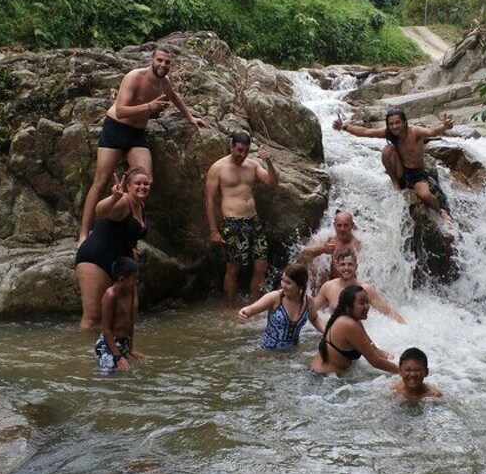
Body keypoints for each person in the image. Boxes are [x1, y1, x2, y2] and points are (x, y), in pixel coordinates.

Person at [78, 46, 209, 245]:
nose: (163, 65)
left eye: (167, 62)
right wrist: (149, 106)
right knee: (101, 180)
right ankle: (84, 233)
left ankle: (129, 228)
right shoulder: (134, 77)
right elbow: (121, 110)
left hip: (137, 134)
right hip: (116, 128)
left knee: (145, 180)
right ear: (152, 60)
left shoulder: (164, 82)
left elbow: (173, 96)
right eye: (160, 60)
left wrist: (190, 117)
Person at [333, 107, 452, 218]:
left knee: (425, 195)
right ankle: (395, 181)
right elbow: (366, 132)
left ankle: (441, 212)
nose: (394, 126)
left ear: (404, 122)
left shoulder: (415, 131)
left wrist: (444, 127)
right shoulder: (389, 132)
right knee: (387, 150)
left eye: (397, 122)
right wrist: (343, 127)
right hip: (401, 170)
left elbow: (431, 132)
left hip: (417, 173)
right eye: (391, 124)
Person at [205, 131, 279, 306]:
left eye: (246, 151)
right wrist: (213, 230)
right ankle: (230, 306)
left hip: (253, 221)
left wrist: (268, 161)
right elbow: (209, 199)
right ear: (232, 146)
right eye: (239, 150)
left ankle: (254, 305)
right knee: (233, 268)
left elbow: (272, 183)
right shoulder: (218, 168)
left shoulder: (252, 165)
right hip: (233, 222)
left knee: (261, 266)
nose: (242, 155)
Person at [76, 168, 149, 329]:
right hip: (95, 258)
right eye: (138, 183)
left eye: (146, 184)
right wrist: (114, 197)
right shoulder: (123, 201)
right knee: (93, 317)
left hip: (122, 262)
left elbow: (129, 231)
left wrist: (132, 247)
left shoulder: (141, 206)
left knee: (130, 310)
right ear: (128, 186)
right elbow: (100, 211)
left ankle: (123, 349)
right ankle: (82, 353)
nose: (142, 187)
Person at [310, 285, 400, 376]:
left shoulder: (355, 321)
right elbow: (375, 362)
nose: (367, 306)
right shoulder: (348, 324)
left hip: (329, 378)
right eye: (362, 303)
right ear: (348, 307)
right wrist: (402, 372)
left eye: (367, 302)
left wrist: (389, 357)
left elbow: (373, 348)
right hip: (321, 379)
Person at [237, 263, 325, 350]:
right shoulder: (275, 297)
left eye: (288, 283)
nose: (283, 285)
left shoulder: (308, 301)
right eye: (282, 280)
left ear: (300, 285)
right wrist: (244, 313)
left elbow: (315, 319)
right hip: (266, 353)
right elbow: (252, 309)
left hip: (292, 354)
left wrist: (327, 332)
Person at [314, 249, 406, 324]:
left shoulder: (365, 289)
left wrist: (405, 326)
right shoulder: (328, 287)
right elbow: (311, 310)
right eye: (343, 265)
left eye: (350, 264)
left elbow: (387, 311)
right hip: (336, 334)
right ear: (337, 266)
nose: (346, 268)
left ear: (356, 267)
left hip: (358, 332)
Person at [95, 256, 147, 372]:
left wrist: (131, 349)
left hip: (123, 344)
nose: (137, 281)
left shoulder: (131, 291)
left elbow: (130, 321)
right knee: (110, 379)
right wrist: (117, 356)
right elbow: (106, 329)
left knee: (128, 376)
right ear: (122, 279)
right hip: (108, 345)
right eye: (134, 278)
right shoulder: (110, 295)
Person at [298, 210, 363, 279]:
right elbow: (303, 255)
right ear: (334, 225)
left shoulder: (358, 245)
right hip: (328, 285)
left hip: (350, 287)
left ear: (352, 226)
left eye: (346, 225)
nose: (342, 229)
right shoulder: (327, 240)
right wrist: (322, 249)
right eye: (339, 225)